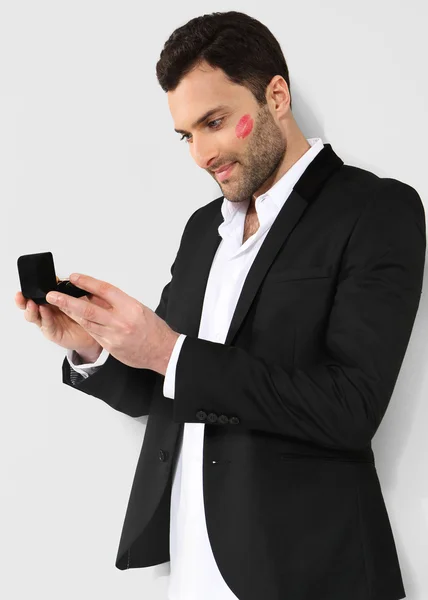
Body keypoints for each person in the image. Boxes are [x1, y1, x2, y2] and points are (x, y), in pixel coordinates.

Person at [16, 10, 426, 600]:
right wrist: (93, 346)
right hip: (192, 566)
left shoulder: (375, 210)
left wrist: (169, 350)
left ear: (276, 96)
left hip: (305, 571)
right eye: (187, 134)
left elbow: (351, 407)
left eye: (214, 121)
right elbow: (171, 385)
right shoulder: (202, 228)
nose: (201, 154)